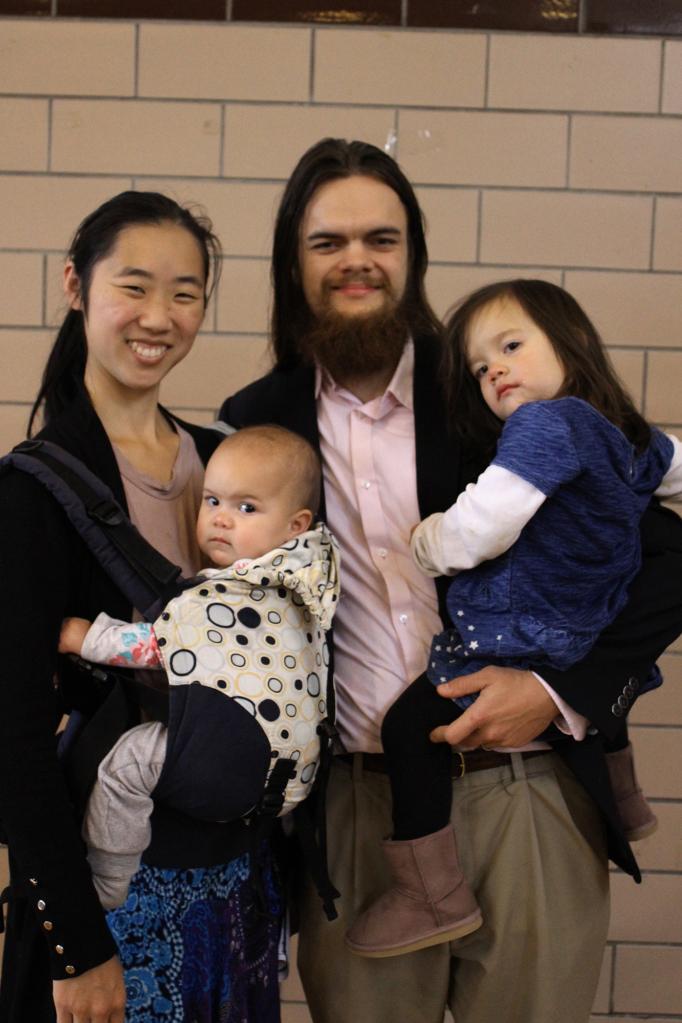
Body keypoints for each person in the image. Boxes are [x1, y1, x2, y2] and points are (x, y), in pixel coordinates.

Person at [219, 139, 682, 1023]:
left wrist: (556, 688)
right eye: (329, 242)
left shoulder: (493, 395)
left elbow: (666, 552)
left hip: (529, 793)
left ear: (413, 255)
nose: (358, 259)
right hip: (362, 815)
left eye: (382, 239)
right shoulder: (252, 423)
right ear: (293, 260)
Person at [0, 192, 282, 1023]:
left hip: (232, 887)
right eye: (134, 286)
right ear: (75, 287)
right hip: (109, 897)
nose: (159, 316)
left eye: (186, 292)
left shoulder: (232, 464)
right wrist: (76, 943)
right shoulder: (35, 491)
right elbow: (12, 734)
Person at [344, 278, 682, 959]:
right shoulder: (628, 438)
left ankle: (428, 893)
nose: (493, 368)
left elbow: (485, 525)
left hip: (520, 632)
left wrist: (429, 542)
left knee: (411, 723)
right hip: (586, 618)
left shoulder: (539, 427)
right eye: (479, 365)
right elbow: (675, 471)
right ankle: (626, 795)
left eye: (511, 346)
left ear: (574, 342)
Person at [58, 425, 339, 911]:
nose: (221, 520)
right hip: (290, 780)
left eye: (246, 507)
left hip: (235, 768)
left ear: (297, 525)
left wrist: (85, 637)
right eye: (212, 501)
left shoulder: (233, 594)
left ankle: (107, 882)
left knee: (127, 763)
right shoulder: (306, 586)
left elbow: (159, 645)